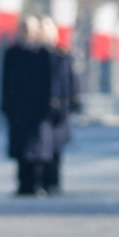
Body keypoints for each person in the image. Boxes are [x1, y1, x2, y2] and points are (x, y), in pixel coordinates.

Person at [0, 19, 57, 196]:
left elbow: (51, 82)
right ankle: (23, 183)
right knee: (21, 149)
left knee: (38, 149)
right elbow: (6, 81)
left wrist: (51, 105)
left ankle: (38, 182)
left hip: (39, 109)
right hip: (18, 109)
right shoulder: (12, 53)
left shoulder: (43, 54)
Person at [40, 17, 78, 195]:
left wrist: (73, 102)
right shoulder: (34, 55)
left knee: (56, 148)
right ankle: (40, 181)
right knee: (42, 147)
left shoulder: (62, 55)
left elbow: (71, 81)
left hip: (60, 109)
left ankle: (54, 182)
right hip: (41, 111)